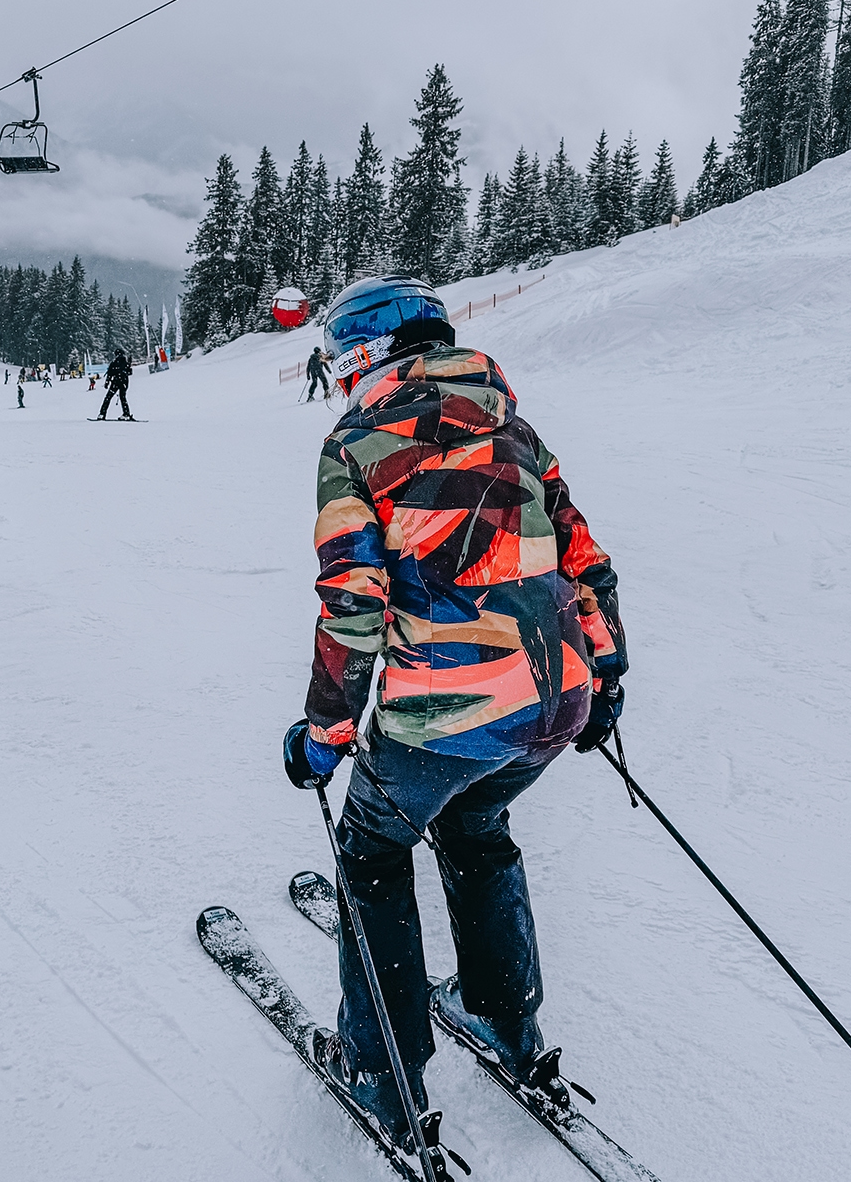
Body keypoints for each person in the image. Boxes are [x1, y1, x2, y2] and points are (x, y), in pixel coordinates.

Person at [280, 275, 628, 1153]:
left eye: (335, 359)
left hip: (444, 715)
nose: (335, 375)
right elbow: (585, 562)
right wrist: (606, 677)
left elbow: (353, 608)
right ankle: (508, 1025)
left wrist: (324, 735)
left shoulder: (356, 445)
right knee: (477, 827)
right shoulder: (513, 426)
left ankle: (381, 1070)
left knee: (372, 849)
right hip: (554, 699)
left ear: (364, 354)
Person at [98, 349, 134, 420]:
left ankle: (102, 414)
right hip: (124, 382)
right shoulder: (125, 362)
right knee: (123, 398)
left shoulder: (114, 362)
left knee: (108, 397)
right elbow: (129, 372)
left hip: (116, 381)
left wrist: (107, 382)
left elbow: (109, 373)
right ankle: (126, 414)